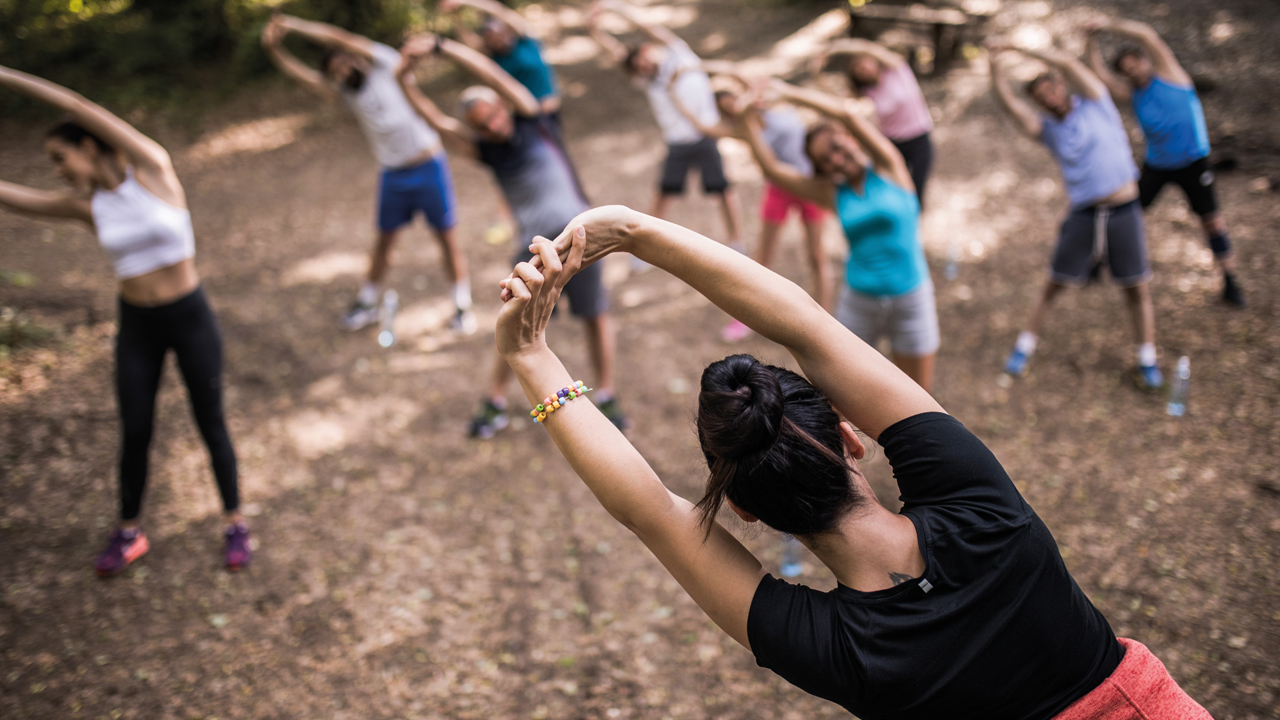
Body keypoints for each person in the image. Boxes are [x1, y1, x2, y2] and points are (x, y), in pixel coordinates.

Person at [491, 208, 1213, 719]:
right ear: (851, 438)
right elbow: (806, 327)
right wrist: (633, 230)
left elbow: (650, 511)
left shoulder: (838, 651)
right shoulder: (982, 509)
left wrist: (530, 355)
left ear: (744, 508)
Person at [0, 66, 251, 575]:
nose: (56, 168)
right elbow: (11, 197)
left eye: (59, 157)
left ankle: (235, 523)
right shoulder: (89, 209)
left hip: (190, 316)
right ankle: (129, 532)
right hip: (137, 324)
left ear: (89, 146)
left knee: (211, 422)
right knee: (135, 428)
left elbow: (75, 103)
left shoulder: (154, 170)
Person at [392, 34, 630, 436]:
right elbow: (432, 118)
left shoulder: (536, 120)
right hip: (534, 249)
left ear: (502, 105)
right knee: (517, 326)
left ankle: (606, 395)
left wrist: (441, 46)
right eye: (482, 125)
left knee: (594, 315)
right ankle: (494, 402)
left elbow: (492, 74)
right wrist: (403, 80)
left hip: (579, 237)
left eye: (493, 114)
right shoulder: (487, 151)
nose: (493, 125)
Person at [261, 14, 475, 334]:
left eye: (345, 63)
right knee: (384, 242)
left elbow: (336, 35)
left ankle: (461, 305)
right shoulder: (347, 94)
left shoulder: (387, 65)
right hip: (393, 175)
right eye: (336, 71)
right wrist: (275, 51)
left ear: (356, 57)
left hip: (429, 166)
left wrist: (292, 25)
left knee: (446, 239)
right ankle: (367, 302)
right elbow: (303, 77)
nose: (343, 71)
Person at [739, 78, 938, 394]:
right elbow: (774, 170)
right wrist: (745, 118)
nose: (834, 159)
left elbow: (847, 115)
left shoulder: (890, 167)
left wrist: (789, 93)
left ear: (848, 138)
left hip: (911, 298)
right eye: (824, 160)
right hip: (859, 301)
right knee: (838, 394)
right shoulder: (833, 194)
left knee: (919, 397)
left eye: (834, 147)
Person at [988, 42, 1163, 389]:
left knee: (1135, 287)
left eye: (1051, 88)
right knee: (1053, 284)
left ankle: (1147, 358)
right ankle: (1024, 347)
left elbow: (1067, 62)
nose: (1048, 97)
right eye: (1040, 96)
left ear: (1062, 85)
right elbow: (1009, 105)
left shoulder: (1097, 102)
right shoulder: (1048, 130)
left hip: (1123, 208)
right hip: (1084, 213)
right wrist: (995, 66)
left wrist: (1018, 48)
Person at [1084, 16, 1245, 307]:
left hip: (1194, 163)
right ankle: (1098, 260)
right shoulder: (1133, 95)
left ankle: (1230, 282)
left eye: (1136, 64)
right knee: (1126, 212)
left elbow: (1146, 34)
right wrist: (1090, 39)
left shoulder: (1172, 75)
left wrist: (1105, 24)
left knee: (1212, 221)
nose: (1134, 71)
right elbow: (1099, 76)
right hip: (1157, 166)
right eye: (1127, 70)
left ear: (1146, 61)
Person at [668, 66, 833, 343]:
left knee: (816, 255)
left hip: (812, 186)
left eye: (731, 99)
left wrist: (696, 67)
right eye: (725, 107)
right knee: (762, 259)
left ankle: (826, 322)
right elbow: (700, 126)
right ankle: (745, 319)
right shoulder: (742, 130)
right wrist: (673, 93)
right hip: (779, 190)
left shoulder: (770, 105)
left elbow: (733, 71)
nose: (732, 106)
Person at [586, 0, 743, 252]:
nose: (644, 67)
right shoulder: (649, 81)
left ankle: (737, 241)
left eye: (644, 61)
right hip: (677, 143)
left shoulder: (678, 53)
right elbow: (615, 52)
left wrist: (613, 7)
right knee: (663, 195)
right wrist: (595, 30)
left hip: (704, 137)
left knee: (723, 191)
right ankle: (646, 248)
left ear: (648, 50)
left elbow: (645, 27)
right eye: (638, 67)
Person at [811, 39, 934, 208]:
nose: (864, 69)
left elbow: (867, 47)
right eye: (859, 70)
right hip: (892, 143)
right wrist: (817, 74)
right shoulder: (867, 92)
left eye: (864, 63)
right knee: (894, 190)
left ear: (873, 60)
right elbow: (836, 101)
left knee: (917, 191)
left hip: (919, 137)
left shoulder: (897, 70)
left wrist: (836, 48)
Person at [439, 0, 562, 118]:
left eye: (500, 31)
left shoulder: (526, 42)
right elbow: (466, 39)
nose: (498, 38)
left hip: (547, 106)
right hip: (521, 112)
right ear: (487, 40)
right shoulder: (494, 57)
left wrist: (465, 1)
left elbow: (500, 11)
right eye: (492, 36)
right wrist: (455, 15)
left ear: (507, 29)